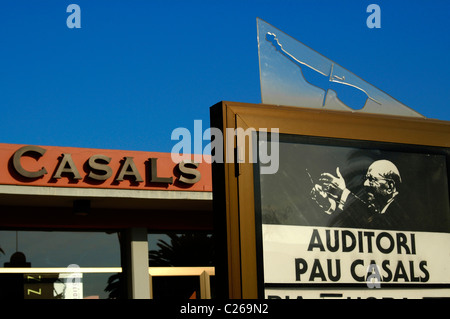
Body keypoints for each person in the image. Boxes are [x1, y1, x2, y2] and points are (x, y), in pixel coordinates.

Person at [311, 160, 409, 230]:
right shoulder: (379, 209)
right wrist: (329, 205)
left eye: (372, 179)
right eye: (366, 179)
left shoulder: (399, 211)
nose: (365, 184)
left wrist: (343, 193)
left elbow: (371, 226)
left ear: (390, 187)